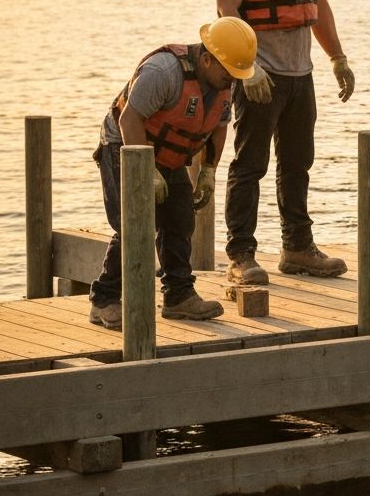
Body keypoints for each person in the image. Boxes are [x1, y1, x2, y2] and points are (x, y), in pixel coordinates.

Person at [214, 0, 356, 287]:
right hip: (259, 75)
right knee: (249, 164)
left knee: (298, 164)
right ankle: (240, 254)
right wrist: (247, 70)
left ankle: (297, 248)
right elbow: (226, 13)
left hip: (301, 74)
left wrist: (337, 58)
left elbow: (317, 6)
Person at [88, 17, 258, 330]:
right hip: (124, 144)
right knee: (135, 221)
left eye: (237, 75)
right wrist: (146, 170)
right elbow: (129, 120)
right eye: (228, 73)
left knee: (180, 218)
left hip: (170, 154)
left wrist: (208, 170)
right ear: (207, 59)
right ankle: (104, 299)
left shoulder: (223, 84)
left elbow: (219, 127)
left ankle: (179, 297)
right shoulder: (163, 72)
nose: (232, 82)